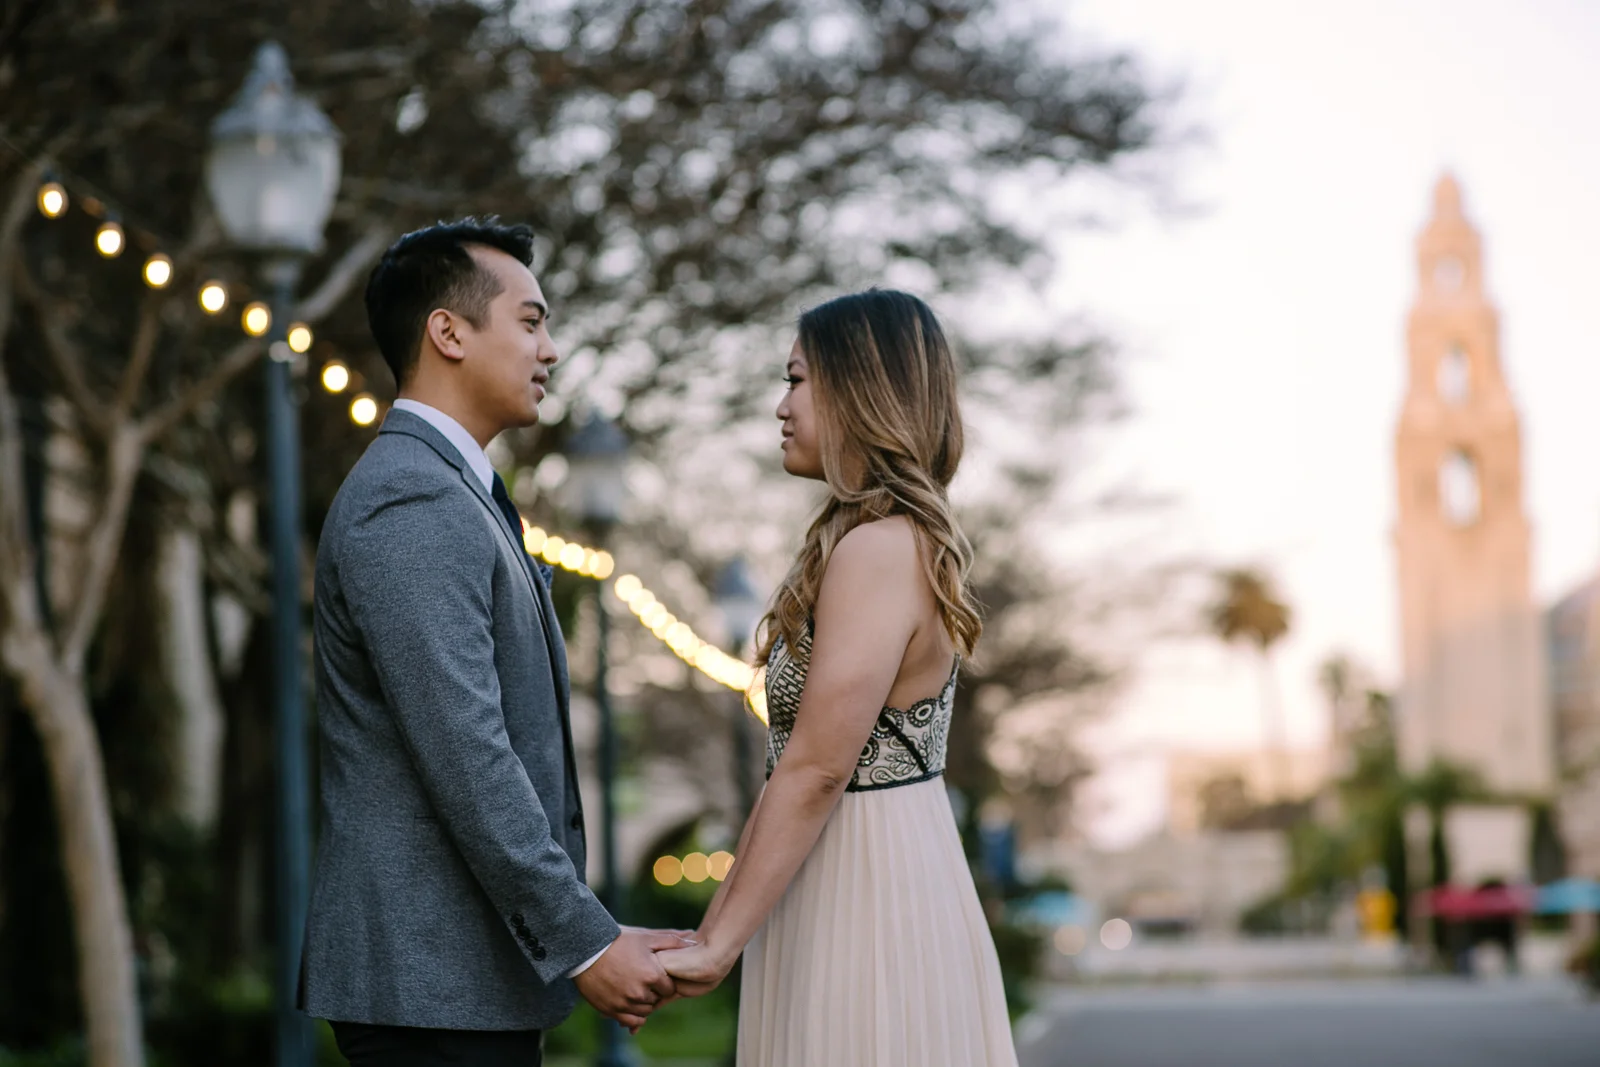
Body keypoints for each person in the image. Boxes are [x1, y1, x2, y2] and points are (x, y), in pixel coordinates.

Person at [300, 219, 687, 1066]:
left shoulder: (459, 493)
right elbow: (469, 755)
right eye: (531, 320)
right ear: (448, 331)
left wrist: (595, 928)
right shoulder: (410, 499)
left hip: (463, 981)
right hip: (427, 985)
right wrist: (585, 942)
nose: (550, 349)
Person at [658, 290, 1019, 1066]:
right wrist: (711, 929)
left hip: (868, 893)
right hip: (851, 876)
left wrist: (719, 945)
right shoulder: (879, 541)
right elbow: (794, 770)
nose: (780, 406)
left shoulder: (881, 547)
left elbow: (820, 766)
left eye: (796, 379)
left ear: (858, 389)